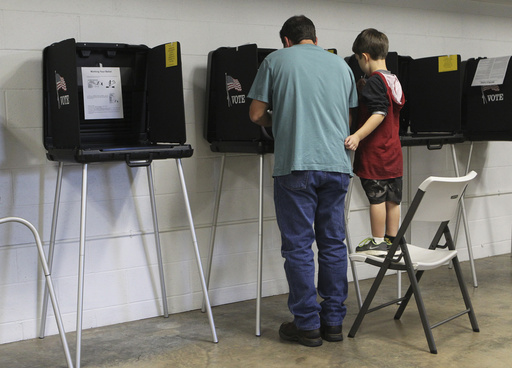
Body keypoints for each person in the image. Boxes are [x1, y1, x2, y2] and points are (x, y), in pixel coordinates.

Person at [248, 15, 358, 347]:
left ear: (286, 40)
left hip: (296, 163)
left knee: (298, 247)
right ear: (314, 38)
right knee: (333, 244)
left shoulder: (275, 60)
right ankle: (334, 322)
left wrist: (280, 115)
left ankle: (308, 325)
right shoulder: (341, 66)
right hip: (337, 165)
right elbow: (347, 117)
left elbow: (255, 114)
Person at [344, 28, 405, 256]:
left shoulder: (375, 82)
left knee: (376, 199)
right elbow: (388, 107)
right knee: (393, 199)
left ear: (365, 56)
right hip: (393, 153)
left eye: (358, 59)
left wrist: (357, 136)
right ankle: (391, 239)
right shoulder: (392, 79)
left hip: (376, 154)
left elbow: (379, 112)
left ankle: (378, 240)